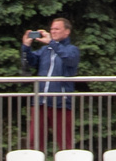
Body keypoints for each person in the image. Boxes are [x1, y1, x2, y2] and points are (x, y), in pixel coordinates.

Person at [20, 17, 81, 153]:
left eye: (57, 29)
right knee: (34, 141)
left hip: (61, 102)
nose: (53, 31)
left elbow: (69, 59)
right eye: (52, 29)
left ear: (67, 32)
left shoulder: (72, 49)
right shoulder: (44, 50)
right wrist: (26, 47)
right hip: (40, 101)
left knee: (65, 143)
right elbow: (30, 62)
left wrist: (53, 44)